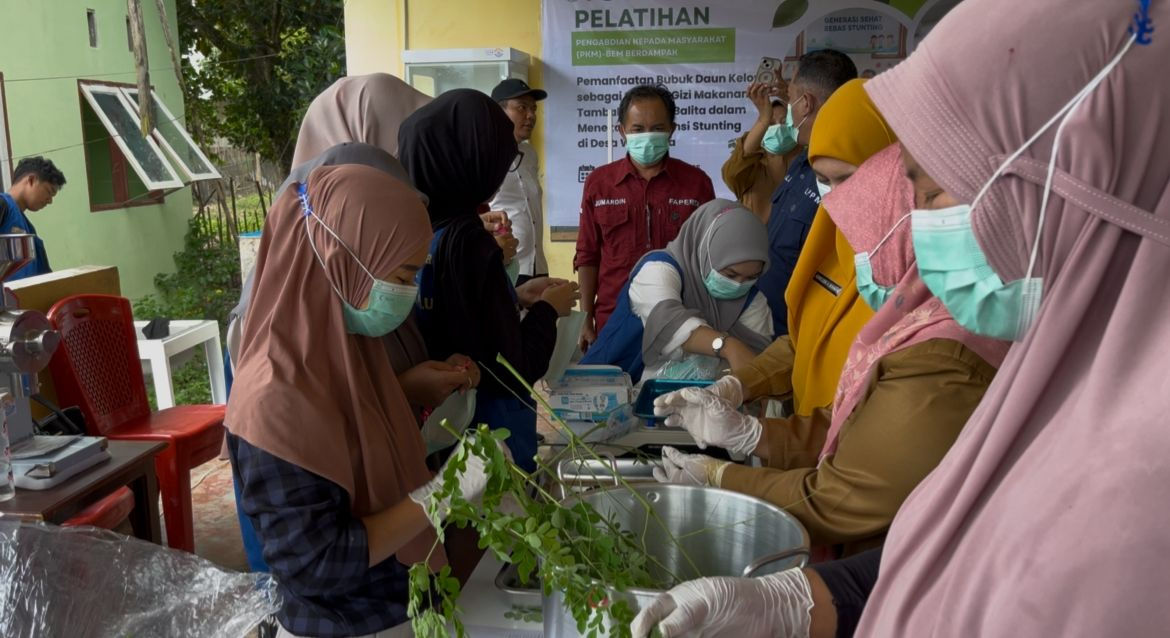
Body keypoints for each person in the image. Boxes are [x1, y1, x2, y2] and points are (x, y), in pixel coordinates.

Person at [632, 1, 1170, 635]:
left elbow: (865, 495)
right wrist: (809, 599)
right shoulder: (1045, 364)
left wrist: (733, 462)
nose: (907, 212)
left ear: (1072, 174)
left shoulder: (1136, 469)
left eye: (933, 189)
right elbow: (944, 546)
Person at [653, 143, 1009, 556]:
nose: (835, 194)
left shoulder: (943, 353)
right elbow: (858, 417)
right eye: (823, 180)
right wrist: (752, 426)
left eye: (845, 177)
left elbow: (841, 497)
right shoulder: (904, 311)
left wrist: (721, 479)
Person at [227, 163, 498, 638]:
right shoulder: (271, 395)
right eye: (405, 274)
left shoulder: (346, 345)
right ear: (341, 258)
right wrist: (440, 494)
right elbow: (317, 564)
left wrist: (406, 390)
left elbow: (347, 425)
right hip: (345, 623)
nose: (410, 294)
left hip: (398, 604)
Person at [399, 89, 579, 473]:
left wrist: (511, 297)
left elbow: (461, 319)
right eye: (498, 154)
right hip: (492, 435)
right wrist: (549, 310)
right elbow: (514, 365)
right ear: (472, 159)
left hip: (442, 433)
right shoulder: (471, 240)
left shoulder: (422, 229)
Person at [575, 84, 715, 350]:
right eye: (638, 129)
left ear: (672, 130)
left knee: (677, 390)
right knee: (616, 388)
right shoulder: (599, 183)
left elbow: (707, 255)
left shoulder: (696, 183)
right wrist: (585, 318)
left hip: (680, 318)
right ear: (622, 131)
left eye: (657, 128)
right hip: (614, 317)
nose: (647, 136)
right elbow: (588, 254)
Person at [580, 199, 773, 382]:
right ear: (705, 252)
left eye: (751, 278)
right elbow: (670, 323)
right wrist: (729, 347)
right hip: (606, 389)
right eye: (730, 274)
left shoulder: (754, 301)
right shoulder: (657, 270)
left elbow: (755, 362)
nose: (739, 285)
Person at [756, 49, 857, 336]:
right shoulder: (803, 159)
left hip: (802, 335)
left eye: (791, 98)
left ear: (806, 103)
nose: (789, 107)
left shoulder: (844, 174)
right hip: (768, 330)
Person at [488, 79, 549, 285]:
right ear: (498, 111)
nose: (531, 115)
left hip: (536, 265)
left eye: (533, 109)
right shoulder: (483, 154)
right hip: (503, 264)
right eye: (522, 107)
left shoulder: (529, 154)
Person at [721, 79, 794, 220]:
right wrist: (763, 118)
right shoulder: (753, 165)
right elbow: (732, 174)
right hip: (758, 239)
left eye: (784, 121)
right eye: (771, 123)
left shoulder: (803, 157)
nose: (778, 127)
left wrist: (789, 98)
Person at [0, 156, 65, 280]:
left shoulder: (31, 234)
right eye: (49, 191)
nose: (50, 201)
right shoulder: (3, 206)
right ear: (31, 180)